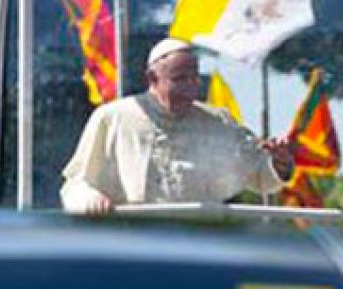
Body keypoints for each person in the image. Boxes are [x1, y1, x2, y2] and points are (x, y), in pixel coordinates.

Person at [60, 38, 294, 214]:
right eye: (179, 79)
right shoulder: (113, 118)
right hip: (132, 244)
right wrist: (89, 198)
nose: (190, 88)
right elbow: (76, 184)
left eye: (194, 78)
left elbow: (261, 175)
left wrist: (279, 163)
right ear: (152, 79)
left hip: (197, 245)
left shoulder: (217, 122)